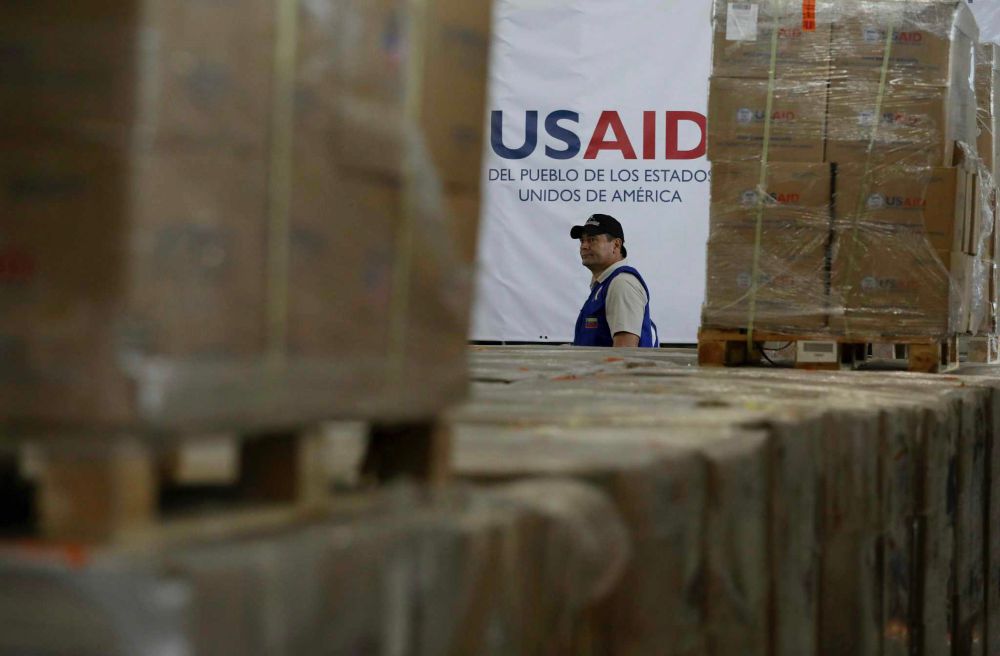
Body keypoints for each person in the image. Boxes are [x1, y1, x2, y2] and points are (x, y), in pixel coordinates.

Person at [570, 213, 659, 348]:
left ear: (616, 245)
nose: (584, 246)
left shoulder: (621, 283)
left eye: (592, 240)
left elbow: (624, 352)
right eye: (582, 241)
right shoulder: (606, 284)